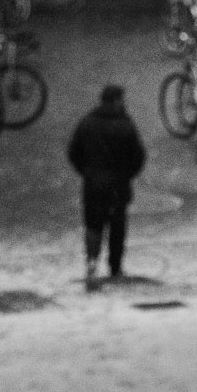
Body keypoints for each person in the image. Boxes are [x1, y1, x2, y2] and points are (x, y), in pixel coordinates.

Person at [66, 83, 147, 284]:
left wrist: (87, 172)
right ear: (117, 101)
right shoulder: (126, 125)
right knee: (117, 227)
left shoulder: (87, 123)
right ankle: (115, 267)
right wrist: (127, 174)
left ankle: (92, 262)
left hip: (93, 185)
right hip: (118, 186)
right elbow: (138, 156)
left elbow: (74, 152)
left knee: (93, 225)